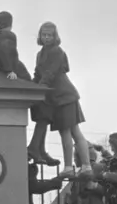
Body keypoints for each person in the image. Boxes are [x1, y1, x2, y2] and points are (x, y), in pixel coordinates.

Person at [28, 22, 89, 170]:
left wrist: (40, 87)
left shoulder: (56, 51)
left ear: (55, 36)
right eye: (44, 35)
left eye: (49, 35)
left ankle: (82, 166)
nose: (47, 38)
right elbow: (38, 74)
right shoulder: (40, 54)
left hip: (64, 95)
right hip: (57, 97)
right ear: (40, 36)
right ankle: (77, 166)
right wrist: (31, 86)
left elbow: (50, 73)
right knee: (68, 131)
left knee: (71, 131)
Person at [0, 11, 31, 81]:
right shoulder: (8, 36)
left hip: (4, 67)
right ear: (10, 23)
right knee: (27, 80)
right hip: (14, 67)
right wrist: (9, 70)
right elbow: (4, 51)